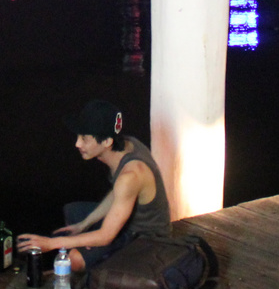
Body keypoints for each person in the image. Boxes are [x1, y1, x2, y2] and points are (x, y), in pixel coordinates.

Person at [16, 99, 170, 274]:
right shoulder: (128, 144)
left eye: (84, 139)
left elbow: (106, 236)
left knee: (72, 260)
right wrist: (85, 224)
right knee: (74, 212)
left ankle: (98, 268)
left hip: (145, 239)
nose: (77, 144)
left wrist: (50, 244)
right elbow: (117, 194)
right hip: (126, 221)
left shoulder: (131, 175)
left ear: (106, 142)